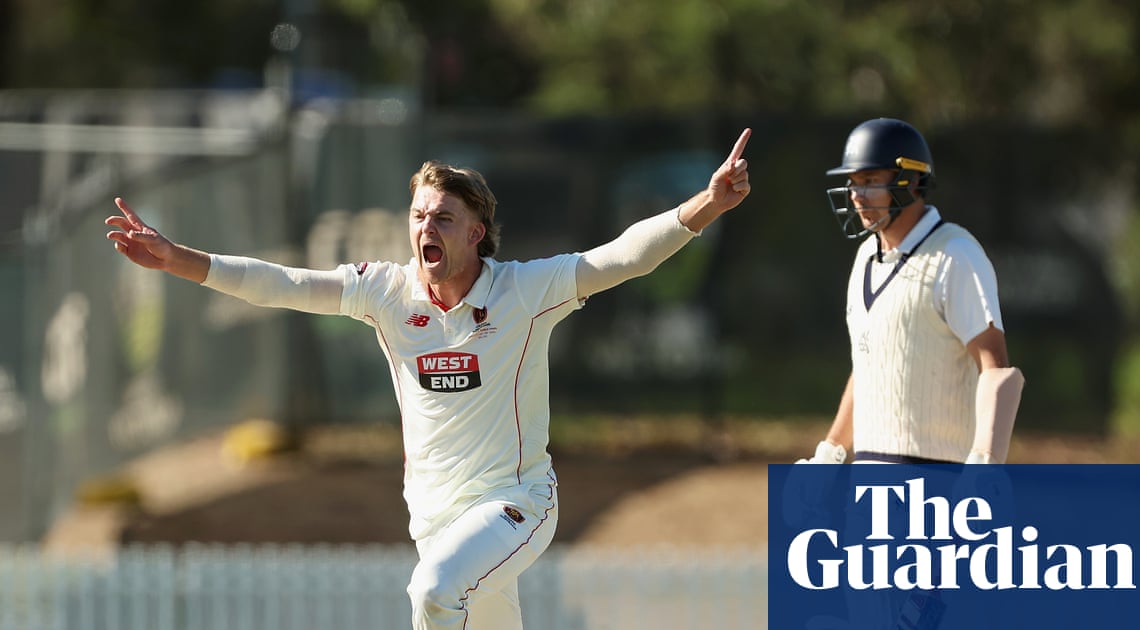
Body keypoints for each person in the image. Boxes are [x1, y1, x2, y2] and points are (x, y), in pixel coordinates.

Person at [104, 128, 752, 630]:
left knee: (433, 592)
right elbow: (284, 284)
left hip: (517, 502)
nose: (425, 229)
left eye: (442, 218)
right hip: (434, 520)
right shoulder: (386, 292)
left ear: (477, 233)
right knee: (454, 595)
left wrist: (707, 203)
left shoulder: (526, 291)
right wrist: (176, 259)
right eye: (417, 216)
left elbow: (623, 257)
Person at [796, 118, 1024, 466]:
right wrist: (831, 451)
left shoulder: (956, 254)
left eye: (870, 181)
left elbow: (995, 370)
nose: (857, 195)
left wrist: (985, 463)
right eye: (853, 182)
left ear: (912, 180)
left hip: (936, 487)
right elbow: (870, 368)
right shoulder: (865, 259)